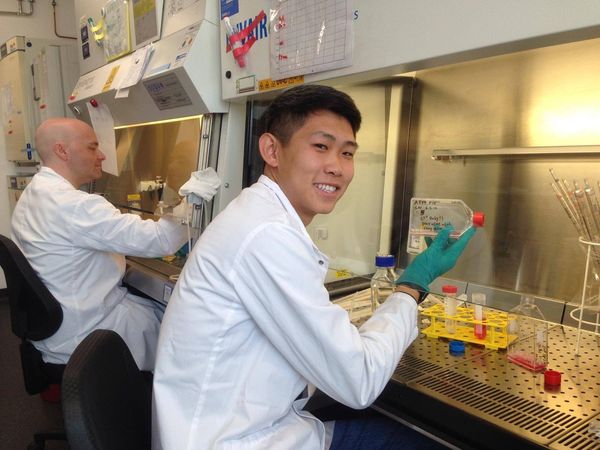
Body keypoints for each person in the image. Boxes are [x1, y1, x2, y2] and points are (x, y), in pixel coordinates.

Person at [152, 84, 475, 449]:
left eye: (347, 153)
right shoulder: (266, 234)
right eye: (320, 147)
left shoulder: (259, 214)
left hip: (244, 425)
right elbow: (359, 380)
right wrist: (411, 286)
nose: (336, 167)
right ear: (272, 150)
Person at [11, 118, 189, 371]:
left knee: (155, 313)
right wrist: (194, 200)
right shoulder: (74, 205)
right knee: (181, 333)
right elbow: (163, 240)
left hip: (57, 327)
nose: (102, 155)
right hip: (86, 335)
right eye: (92, 147)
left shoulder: (35, 192)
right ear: (62, 151)